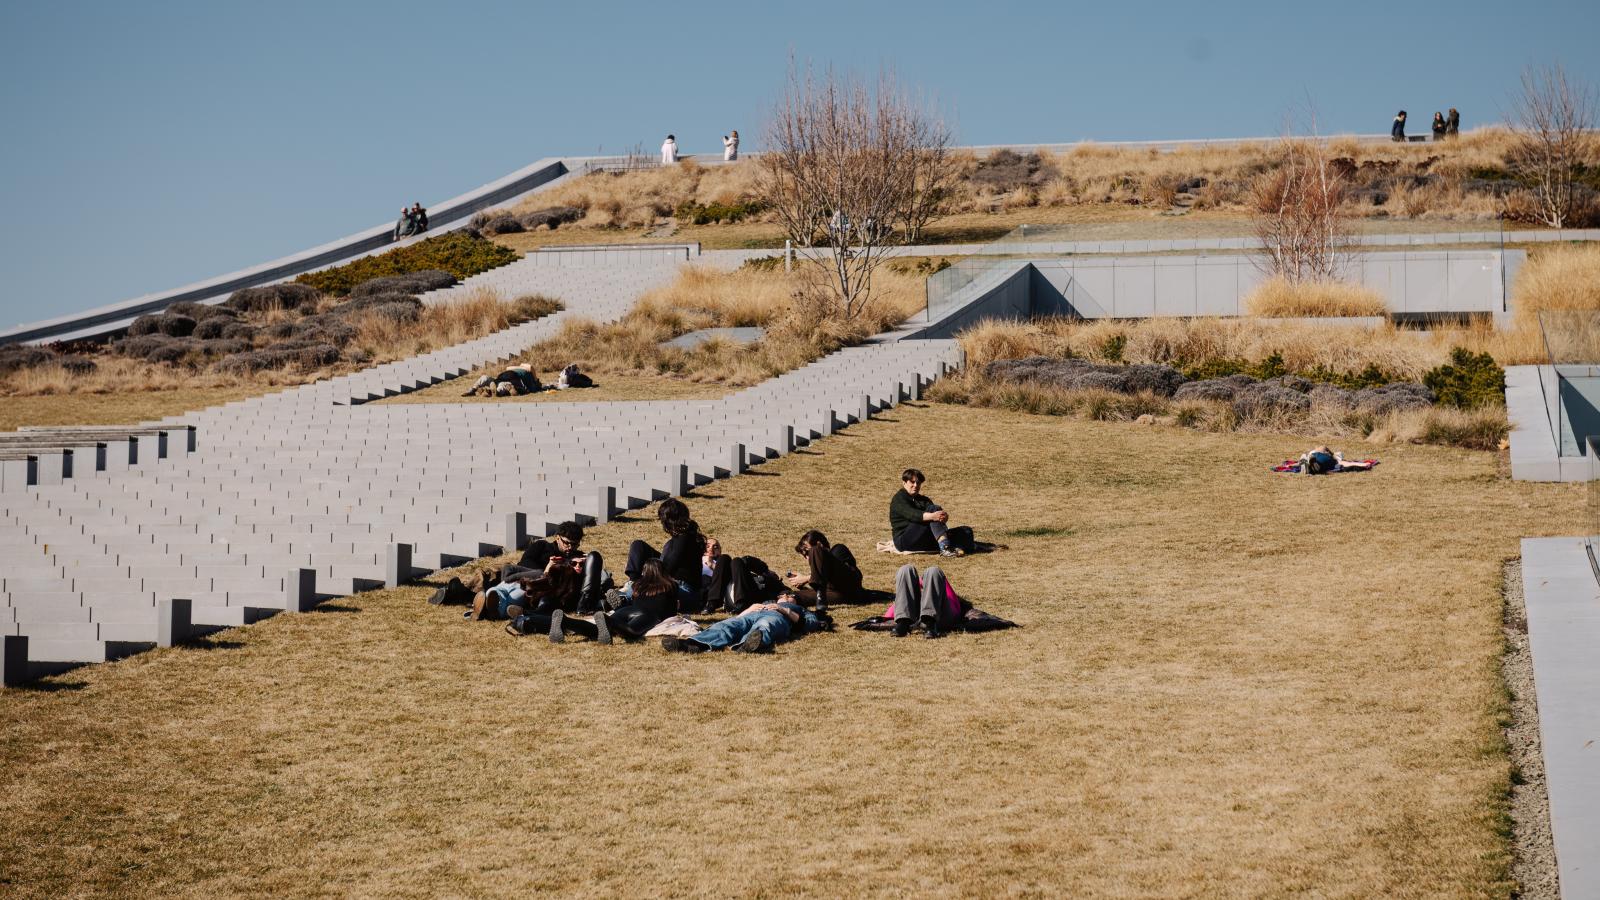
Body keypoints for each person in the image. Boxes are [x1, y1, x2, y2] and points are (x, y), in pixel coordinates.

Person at [498, 521, 607, 613]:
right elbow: (524, 563)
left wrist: (586, 564)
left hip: (555, 591)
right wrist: (548, 568)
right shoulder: (542, 546)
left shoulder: (578, 556)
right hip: (532, 581)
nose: (570, 547)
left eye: (574, 544)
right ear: (557, 538)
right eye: (567, 543)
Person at [624, 498, 706, 613]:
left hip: (682, 590)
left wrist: (646, 580)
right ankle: (632, 585)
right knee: (639, 545)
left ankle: (628, 596)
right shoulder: (681, 538)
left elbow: (667, 569)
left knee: (638, 590)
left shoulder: (684, 539)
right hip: (672, 584)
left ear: (669, 520)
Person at [661, 598, 830, 654]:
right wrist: (747, 610)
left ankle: (747, 644)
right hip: (750, 615)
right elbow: (736, 619)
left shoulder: (798, 608)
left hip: (777, 618)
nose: (785, 596)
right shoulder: (765, 602)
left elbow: (810, 623)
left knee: (765, 625)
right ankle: (692, 644)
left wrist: (784, 609)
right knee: (728, 625)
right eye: (782, 595)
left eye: (790, 596)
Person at [890, 468, 966, 557]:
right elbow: (913, 515)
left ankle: (971, 546)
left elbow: (936, 518)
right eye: (912, 482)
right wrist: (933, 516)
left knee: (966, 531)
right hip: (904, 541)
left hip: (922, 538)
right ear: (904, 483)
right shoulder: (899, 499)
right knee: (933, 510)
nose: (915, 485)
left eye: (918, 483)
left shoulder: (923, 500)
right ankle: (945, 547)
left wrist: (944, 517)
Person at [782, 530, 862, 609]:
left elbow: (834, 573)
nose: (807, 558)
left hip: (850, 588)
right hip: (836, 594)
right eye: (804, 556)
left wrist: (805, 578)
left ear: (820, 544)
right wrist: (801, 585)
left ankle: (820, 591)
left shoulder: (839, 549)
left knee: (815, 550)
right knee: (792, 595)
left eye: (807, 553)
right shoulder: (819, 566)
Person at [701, 536, 777, 614]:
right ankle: (712, 603)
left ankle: (740, 602)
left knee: (733, 559)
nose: (711, 548)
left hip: (735, 593)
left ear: (720, 550)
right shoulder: (697, 563)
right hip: (712, 595)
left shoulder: (724, 563)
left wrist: (713, 566)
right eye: (707, 546)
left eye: (716, 547)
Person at [890, 564, 968, 639]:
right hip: (915, 616)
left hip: (939, 615)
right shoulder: (915, 585)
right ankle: (903, 621)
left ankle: (930, 622)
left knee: (934, 571)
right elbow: (901, 600)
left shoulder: (939, 583)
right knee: (905, 569)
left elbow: (955, 608)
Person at [462, 363, 541, 397]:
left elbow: (508, 368)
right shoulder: (532, 382)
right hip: (512, 378)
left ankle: (474, 390)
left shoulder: (514, 368)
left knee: (485, 378)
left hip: (503, 376)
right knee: (504, 385)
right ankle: (496, 391)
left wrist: (521, 365)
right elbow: (530, 367)